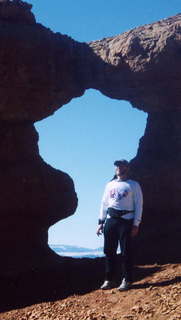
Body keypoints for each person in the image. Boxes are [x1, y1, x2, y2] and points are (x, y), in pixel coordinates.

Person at [96, 159, 143, 290]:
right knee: (109, 251)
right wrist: (101, 222)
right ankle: (109, 279)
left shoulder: (133, 185)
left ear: (127, 168)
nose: (118, 168)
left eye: (121, 166)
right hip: (111, 220)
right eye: (116, 166)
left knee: (126, 251)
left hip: (126, 220)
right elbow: (104, 204)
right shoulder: (109, 185)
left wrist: (136, 224)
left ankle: (127, 280)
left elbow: (139, 205)